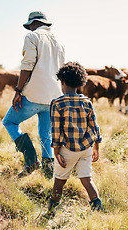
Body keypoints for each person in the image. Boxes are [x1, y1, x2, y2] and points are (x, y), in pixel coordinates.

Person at [2, 11, 65, 179]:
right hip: (54, 96)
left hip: (34, 94)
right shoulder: (59, 41)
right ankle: (48, 175)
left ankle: (31, 160)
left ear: (33, 23)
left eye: (29, 25)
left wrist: (18, 91)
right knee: (46, 136)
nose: (29, 28)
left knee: (9, 122)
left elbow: (27, 65)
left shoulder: (32, 36)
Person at [44, 61, 103, 216]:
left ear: (62, 82)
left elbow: (56, 131)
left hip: (67, 150)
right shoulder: (87, 102)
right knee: (87, 180)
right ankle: (98, 209)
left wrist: (56, 152)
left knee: (59, 182)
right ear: (80, 83)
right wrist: (96, 148)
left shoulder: (57, 104)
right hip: (86, 148)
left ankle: (51, 211)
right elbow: (95, 127)